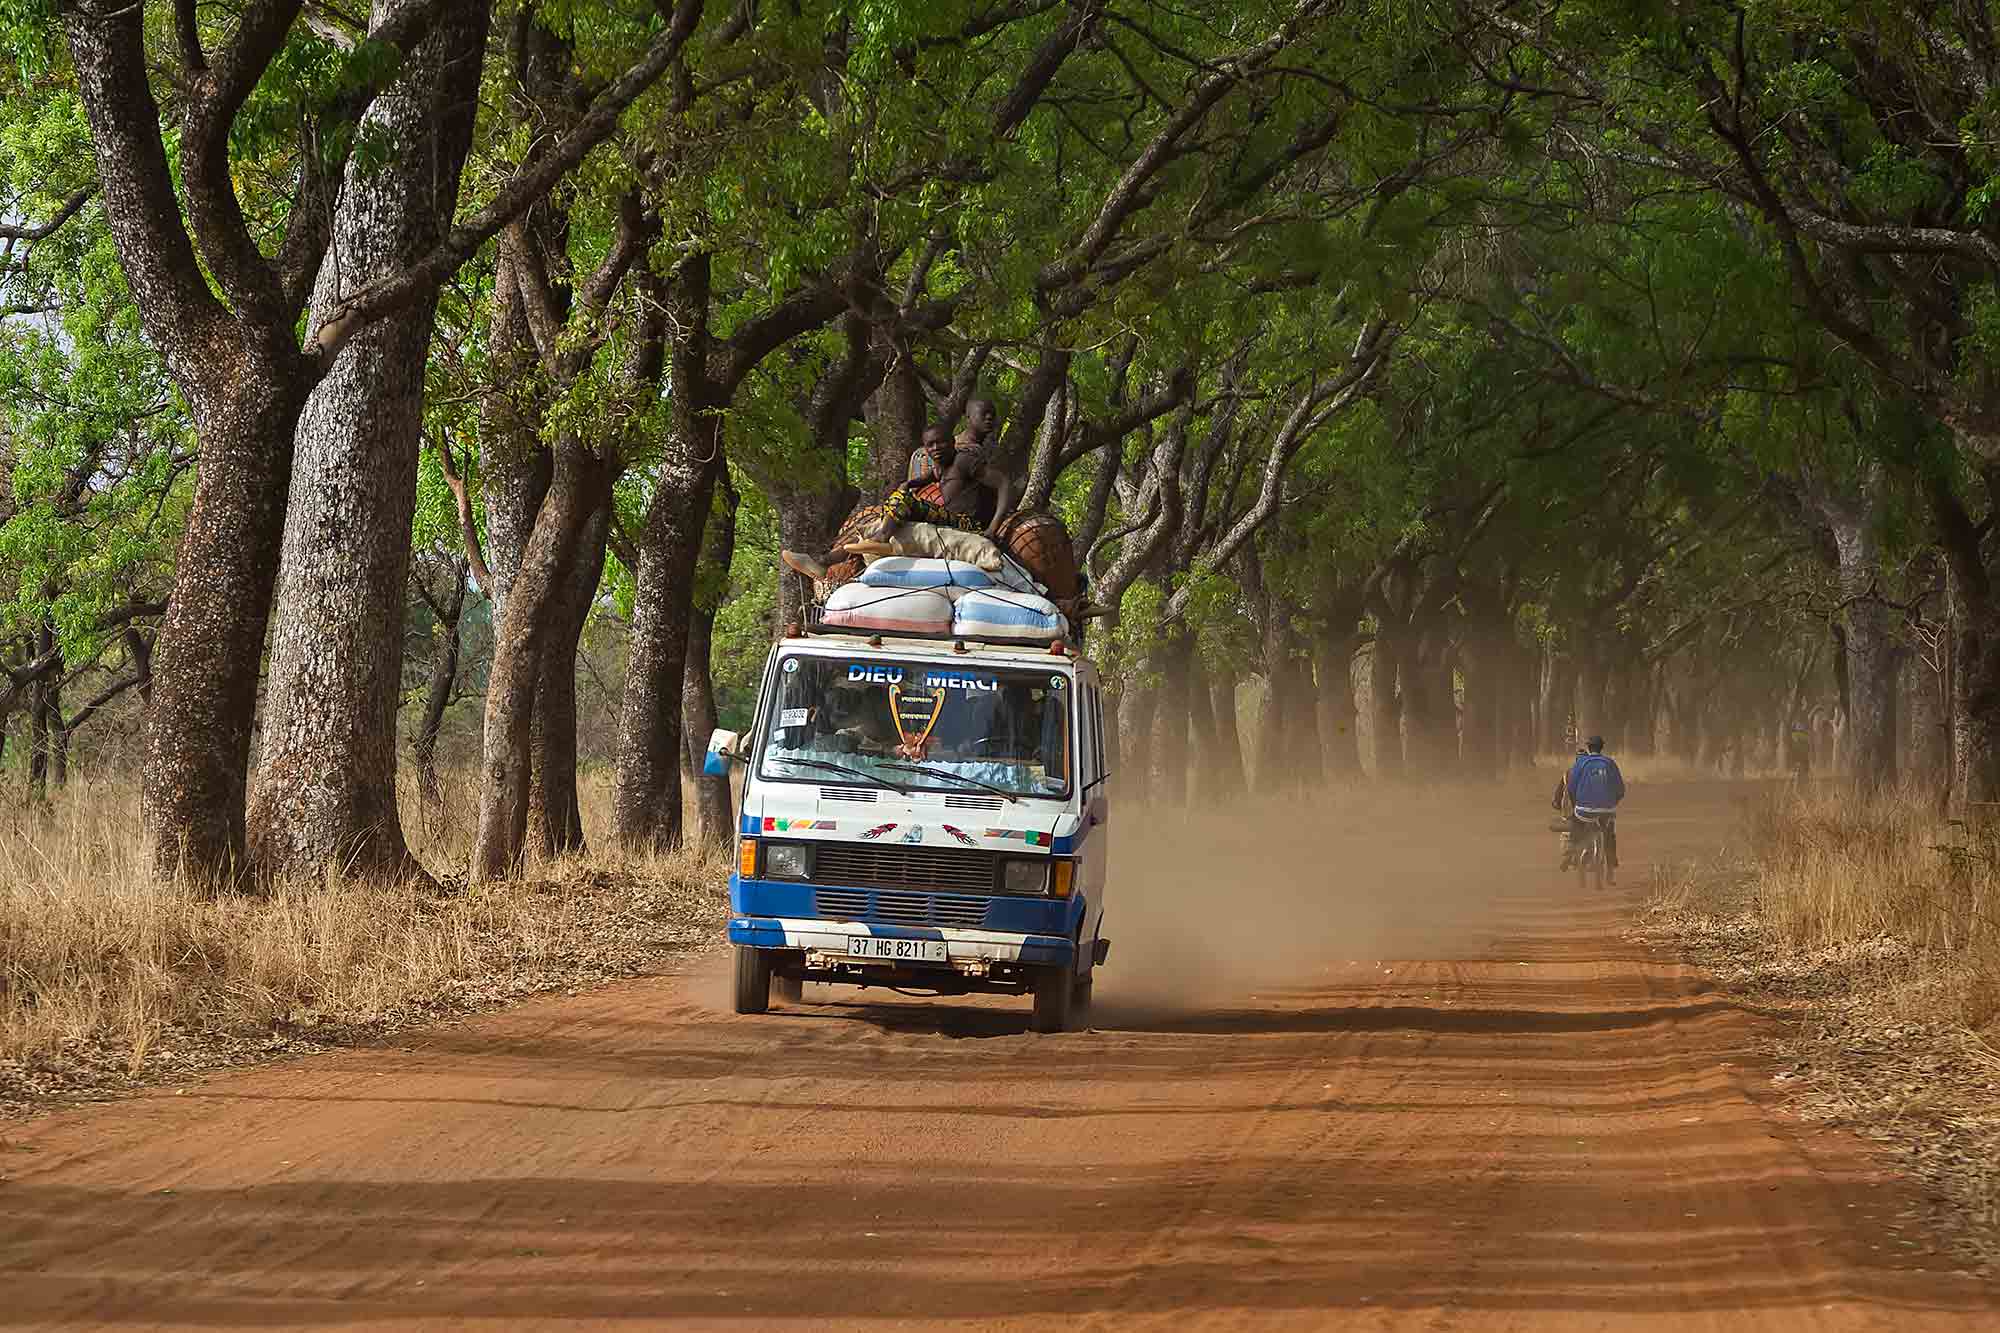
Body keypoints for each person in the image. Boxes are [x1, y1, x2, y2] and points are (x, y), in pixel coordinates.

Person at [1553, 735, 1626, 880]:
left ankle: (1572, 853)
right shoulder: (1609, 763)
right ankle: (1612, 860)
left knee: (1576, 828)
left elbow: (1572, 787)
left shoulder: (1581, 764)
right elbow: (1620, 789)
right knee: (1609, 833)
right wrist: (1613, 803)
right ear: (1602, 747)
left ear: (1588, 747)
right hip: (1607, 810)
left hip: (1583, 810)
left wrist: (1577, 803)